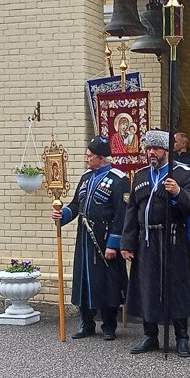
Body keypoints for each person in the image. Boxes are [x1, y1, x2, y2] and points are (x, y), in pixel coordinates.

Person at [121, 129, 190, 358]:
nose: (151, 153)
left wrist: (179, 193)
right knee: (147, 287)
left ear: (166, 150)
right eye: (148, 149)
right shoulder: (139, 176)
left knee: (176, 288)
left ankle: (181, 337)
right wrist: (127, 242)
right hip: (147, 241)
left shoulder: (182, 173)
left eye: (155, 149)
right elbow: (132, 212)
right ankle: (150, 335)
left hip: (173, 239)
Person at [52, 137, 128, 340]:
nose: (87, 159)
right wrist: (64, 214)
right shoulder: (86, 177)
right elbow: (77, 204)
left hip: (104, 239)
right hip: (84, 239)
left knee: (107, 283)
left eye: (89, 156)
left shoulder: (119, 179)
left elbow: (122, 215)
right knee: (83, 280)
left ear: (101, 158)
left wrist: (114, 243)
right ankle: (86, 323)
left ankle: (109, 325)